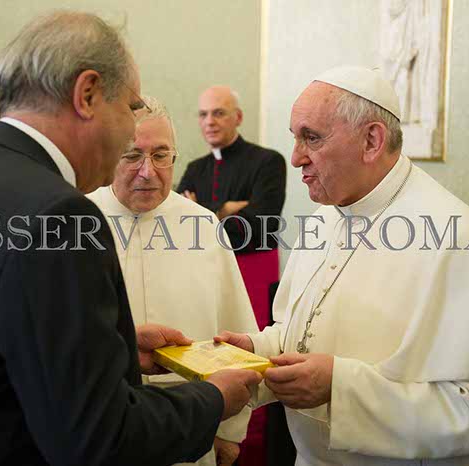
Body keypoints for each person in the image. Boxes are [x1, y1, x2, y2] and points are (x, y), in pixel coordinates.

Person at [0, 11, 261, 466]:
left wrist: (115, 349)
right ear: (87, 94)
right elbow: (99, 439)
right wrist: (212, 400)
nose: (131, 131)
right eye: (130, 108)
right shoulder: (60, 214)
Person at [216, 65, 469, 466]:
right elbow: (303, 332)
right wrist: (258, 350)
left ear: (372, 140)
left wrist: (339, 388)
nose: (295, 157)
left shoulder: (454, 235)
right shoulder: (325, 217)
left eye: (312, 137)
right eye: (295, 137)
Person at [88, 96, 260, 466]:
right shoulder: (77, 219)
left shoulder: (203, 225)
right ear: (108, 154)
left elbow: (236, 334)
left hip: (194, 429)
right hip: (101, 432)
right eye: (132, 155)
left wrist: (229, 431)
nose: (148, 171)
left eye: (161, 155)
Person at [178, 86, 287, 465]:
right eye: (203, 114)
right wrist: (227, 208)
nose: (209, 121)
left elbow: (262, 222)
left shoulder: (268, 161)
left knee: (249, 358)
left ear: (238, 117)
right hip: (206, 272)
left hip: (254, 271)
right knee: (207, 350)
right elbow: (181, 225)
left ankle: (250, 447)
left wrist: (205, 211)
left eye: (219, 113)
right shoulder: (196, 168)